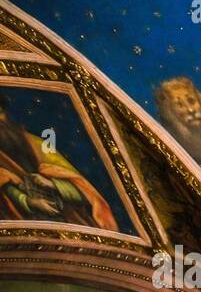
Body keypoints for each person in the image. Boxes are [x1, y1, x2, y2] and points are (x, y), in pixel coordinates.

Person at [0, 97, 118, 230]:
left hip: (69, 220)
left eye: (0, 113)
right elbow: (5, 187)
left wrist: (53, 184)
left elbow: (82, 190)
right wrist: (30, 202)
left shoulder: (37, 144)